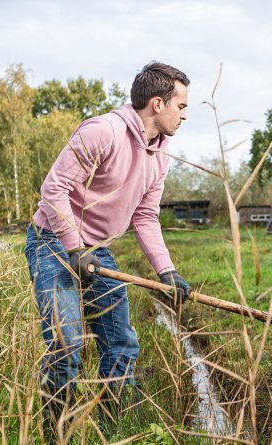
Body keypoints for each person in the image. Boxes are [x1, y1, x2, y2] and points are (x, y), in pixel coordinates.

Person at [23, 61, 192, 436]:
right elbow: (54, 190)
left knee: (121, 342)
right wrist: (73, 246)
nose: (184, 116)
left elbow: (145, 216)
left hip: (97, 249)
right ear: (158, 104)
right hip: (53, 241)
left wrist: (167, 271)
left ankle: (115, 430)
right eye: (181, 107)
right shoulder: (103, 131)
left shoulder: (161, 154)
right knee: (67, 343)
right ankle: (57, 434)